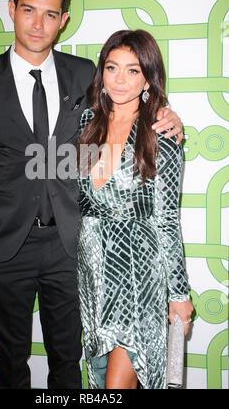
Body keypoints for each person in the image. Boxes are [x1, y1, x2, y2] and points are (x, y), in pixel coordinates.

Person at [0, 0, 184, 389]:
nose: (39, 24)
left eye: (51, 14)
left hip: (72, 247)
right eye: (28, 11)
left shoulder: (85, 76)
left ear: (64, 20)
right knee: (12, 363)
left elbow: (127, 103)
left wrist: (167, 117)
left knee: (67, 363)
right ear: (11, 9)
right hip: (3, 246)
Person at [77, 29, 194, 390]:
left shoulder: (161, 133)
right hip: (92, 273)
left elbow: (167, 219)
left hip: (137, 277)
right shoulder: (87, 124)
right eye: (112, 68)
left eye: (133, 70)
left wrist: (179, 294)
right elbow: (84, 199)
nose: (120, 80)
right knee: (97, 381)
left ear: (147, 77)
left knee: (117, 384)